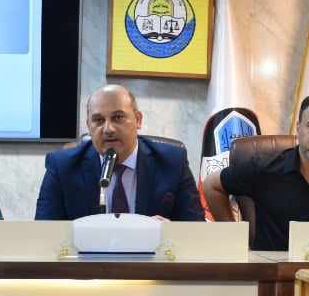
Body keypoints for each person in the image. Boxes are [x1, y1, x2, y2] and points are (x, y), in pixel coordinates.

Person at [203, 93, 309, 251]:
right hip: (270, 269)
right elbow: (211, 185)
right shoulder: (265, 168)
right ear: (298, 128)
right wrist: (234, 240)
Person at [35, 84, 202, 221]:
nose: (108, 129)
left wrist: (170, 232)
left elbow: (195, 232)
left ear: (138, 120)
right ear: (88, 126)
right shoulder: (62, 166)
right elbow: (44, 234)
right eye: (98, 120)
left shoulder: (172, 162)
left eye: (118, 118)